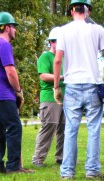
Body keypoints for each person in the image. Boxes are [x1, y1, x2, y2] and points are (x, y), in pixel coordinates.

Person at [53, 0, 104, 179]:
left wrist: (57, 86)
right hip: (92, 84)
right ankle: (92, 171)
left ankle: (67, 172)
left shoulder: (63, 31)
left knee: (70, 130)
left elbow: (58, 60)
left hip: (72, 85)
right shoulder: (98, 30)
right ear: (87, 11)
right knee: (93, 129)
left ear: (72, 10)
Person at [0, 11, 34, 174]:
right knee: (14, 127)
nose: (15, 30)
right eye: (13, 27)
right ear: (6, 28)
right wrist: (18, 91)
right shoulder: (4, 45)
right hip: (3, 94)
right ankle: (13, 166)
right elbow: (10, 72)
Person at [32, 27, 65, 167]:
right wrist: (62, 77)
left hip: (65, 98)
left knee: (64, 129)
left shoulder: (64, 58)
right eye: (58, 41)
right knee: (49, 127)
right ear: (52, 42)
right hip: (49, 98)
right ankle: (38, 159)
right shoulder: (45, 57)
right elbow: (43, 76)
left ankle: (61, 158)